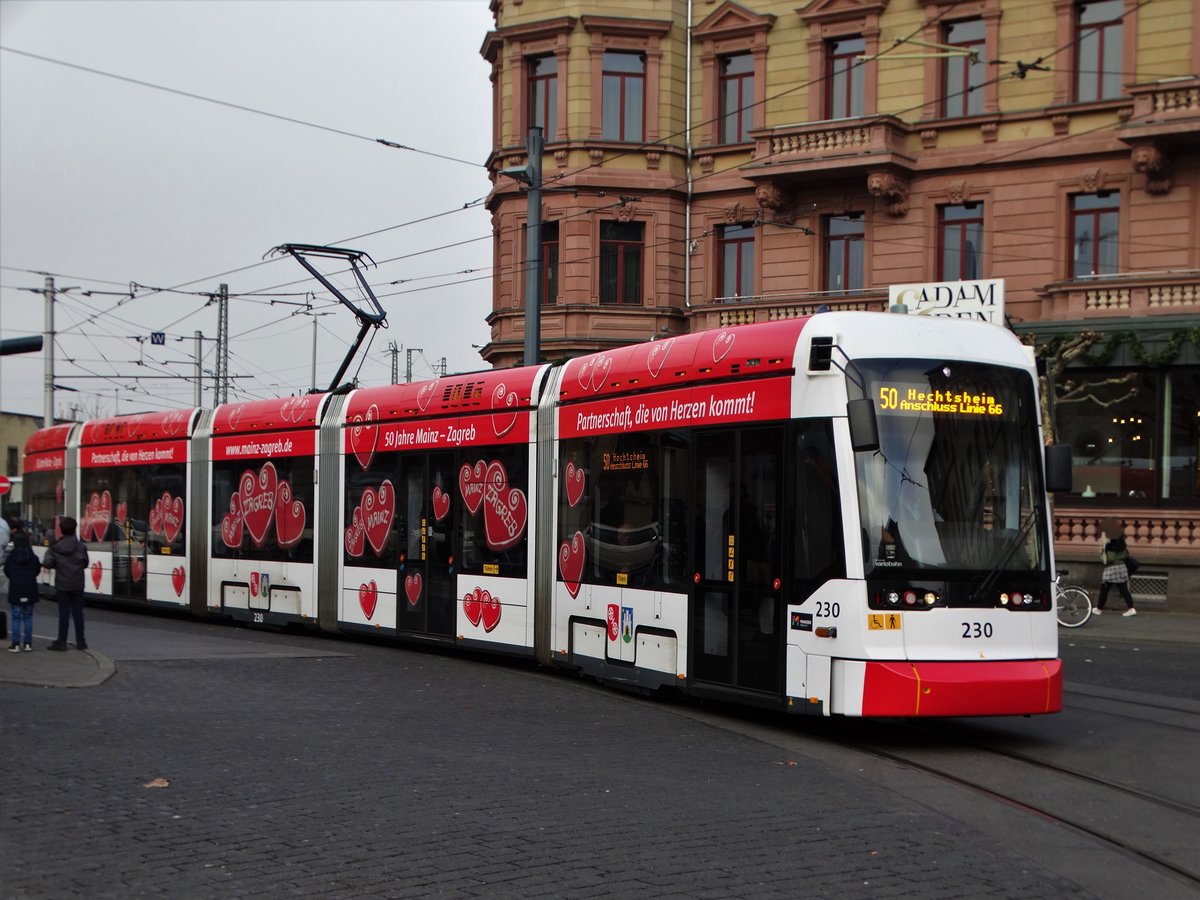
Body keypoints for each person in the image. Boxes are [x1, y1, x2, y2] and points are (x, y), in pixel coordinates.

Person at [41, 515, 90, 650]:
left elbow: (47, 563)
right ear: (75, 530)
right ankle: (81, 641)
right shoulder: (81, 546)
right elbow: (85, 563)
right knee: (78, 613)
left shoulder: (55, 547)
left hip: (62, 583)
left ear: (61, 531)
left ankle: (61, 641)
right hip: (78, 583)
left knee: (64, 614)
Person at [5, 521, 41, 651]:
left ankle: (15, 643)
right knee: (28, 616)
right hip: (30, 588)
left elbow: (7, 572)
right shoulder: (33, 557)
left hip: (16, 589)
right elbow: (37, 570)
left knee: (15, 617)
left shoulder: (11, 557)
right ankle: (28, 643)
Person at [1096, 524, 1136, 617]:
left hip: (1111, 568)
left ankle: (1099, 609)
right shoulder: (1121, 541)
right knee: (1123, 589)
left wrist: (1104, 546)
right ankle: (1131, 608)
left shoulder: (1110, 543)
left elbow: (1108, 556)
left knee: (1104, 589)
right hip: (1121, 567)